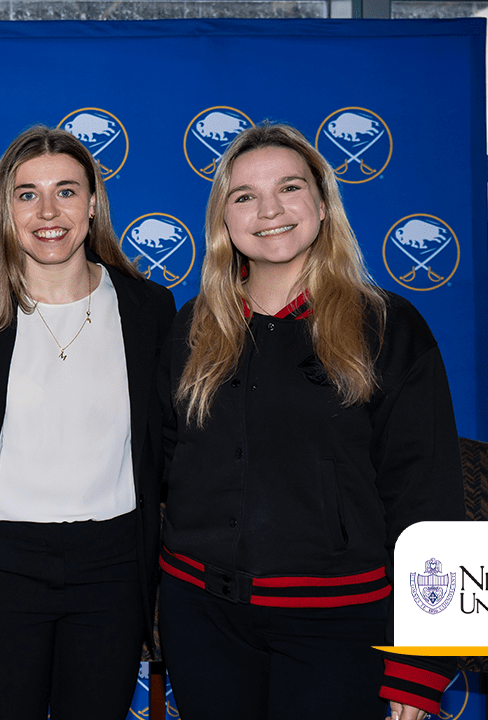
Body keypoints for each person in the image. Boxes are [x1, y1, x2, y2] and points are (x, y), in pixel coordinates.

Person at [157, 122, 465, 720]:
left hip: (339, 625)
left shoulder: (388, 326)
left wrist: (421, 657)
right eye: (245, 196)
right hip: (201, 618)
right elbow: (166, 466)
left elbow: (427, 497)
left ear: (323, 205)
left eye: (289, 188)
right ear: (224, 219)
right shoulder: (191, 326)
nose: (269, 210)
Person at [0, 126, 175, 720]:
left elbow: (168, 446)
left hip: (113, 564)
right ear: (6, 209)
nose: (48, 212)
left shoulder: (148, 308)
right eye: (28, 195)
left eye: (66, 191)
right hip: (3, 563)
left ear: (93, 203)